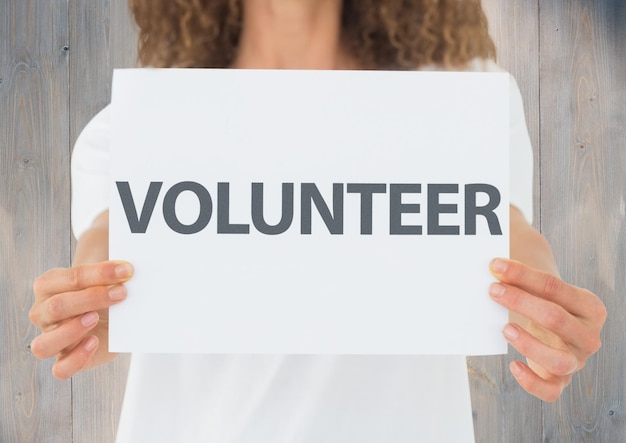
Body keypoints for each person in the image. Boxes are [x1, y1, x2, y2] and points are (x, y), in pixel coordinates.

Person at [29, 0, 607, 441]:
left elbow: (508, 236)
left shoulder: (457, 109)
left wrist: (547, 314)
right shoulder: (134, 127)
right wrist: (93, 309)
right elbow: (101, 254)